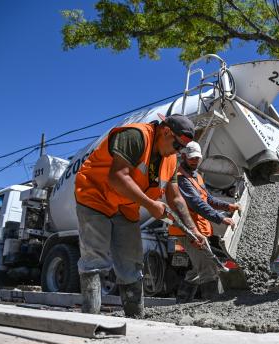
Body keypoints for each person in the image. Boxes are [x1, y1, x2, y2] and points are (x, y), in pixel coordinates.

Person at [74, 113, 205, 317]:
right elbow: (118, 177)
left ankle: (135, 317)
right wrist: (151, 205)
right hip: (95, 195)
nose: (178, 152)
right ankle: (89, 319)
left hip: (125, 206)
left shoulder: (170, 159)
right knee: (95, 260)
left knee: (132, 263)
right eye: (177, 146)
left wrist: (193, 230)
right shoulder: (135, 136)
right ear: (166, 131)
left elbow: (176, 198)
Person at [168, 141, 241, 303]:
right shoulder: (180, 178)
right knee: (209, 267)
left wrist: (228, 206)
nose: (195, 161)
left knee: (198, 268)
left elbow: (207, 198)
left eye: (197, 158)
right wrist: (220, 218)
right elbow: (196, 203)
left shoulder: (197, 176)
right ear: (184, 156)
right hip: (187, 230)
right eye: (192, 158)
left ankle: (182, 301)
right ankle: (213, 306)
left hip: (200, 229)